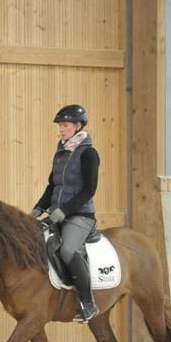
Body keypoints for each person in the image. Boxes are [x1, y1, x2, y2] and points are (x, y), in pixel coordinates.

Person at [31, 104, 100, 323]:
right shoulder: (60, 153)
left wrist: (63, 212)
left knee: (68, 250)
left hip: (80, 216)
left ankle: (88, 303)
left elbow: (89, 189)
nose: (61, 129)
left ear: (78, 126)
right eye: (60, 126)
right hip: (57, 214)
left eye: (65, 125)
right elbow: (52, 186)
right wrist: (37, 209)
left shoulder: (89, 153)